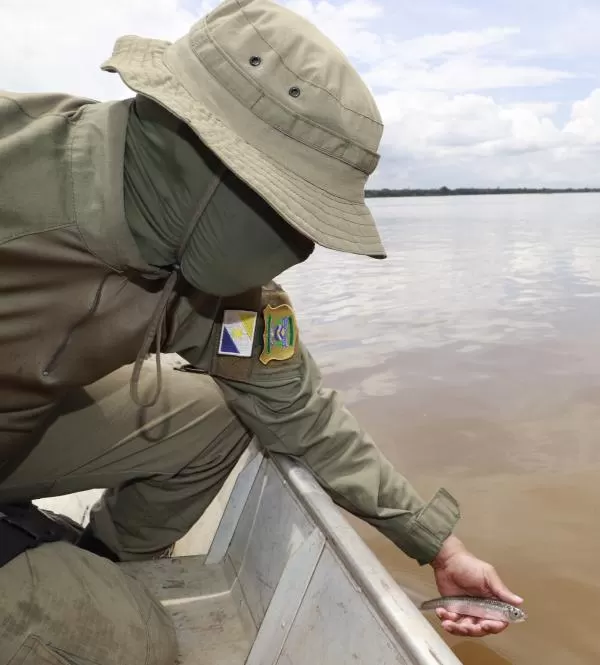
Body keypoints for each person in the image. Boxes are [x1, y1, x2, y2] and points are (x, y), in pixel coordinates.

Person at [0, 0, 521, 660]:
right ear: (219, 170)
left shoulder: (215, 289)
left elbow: (300, 410)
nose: (302, 244)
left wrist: (440, 544)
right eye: (296, 211)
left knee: (223, 413)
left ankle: (94, 556)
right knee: (129, 643)